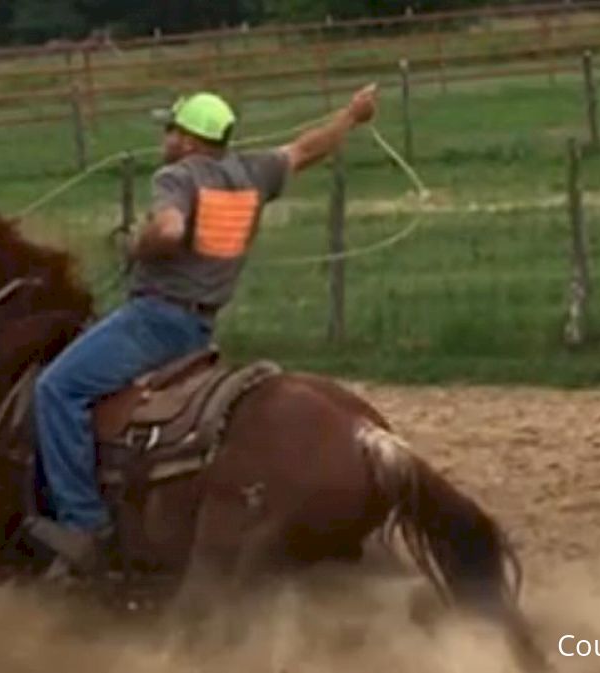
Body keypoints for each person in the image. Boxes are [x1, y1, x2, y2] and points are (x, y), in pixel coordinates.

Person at [31, 83, 380, 577]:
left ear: (191, 141)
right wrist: (352, 116)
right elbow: (306, 149)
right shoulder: (253, 174)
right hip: (199, 329)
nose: (166, 136)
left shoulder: (177, 177)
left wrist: (138, 245)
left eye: (172, 128)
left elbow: (170, 231)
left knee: (56, 389)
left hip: (153, 321)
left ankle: (82, 525)